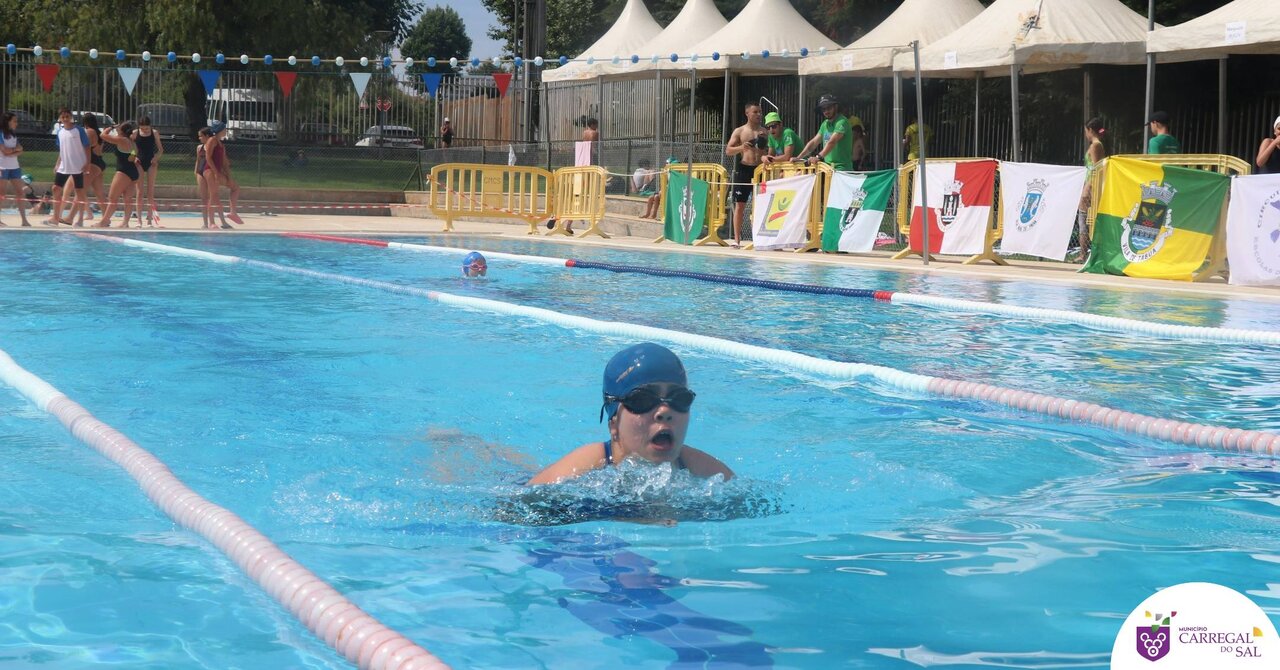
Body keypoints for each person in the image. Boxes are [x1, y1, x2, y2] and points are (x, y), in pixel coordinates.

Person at [526, 343, 734, 486]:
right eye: (643, 400)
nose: (664, 411)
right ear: (613, 423)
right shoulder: (584, 469)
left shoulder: (703, 470)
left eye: (679, 399)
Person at [725, 102, 767, 246]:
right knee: (740, 205)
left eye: (760, 112)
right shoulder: (740, 131)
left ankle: (759, 238)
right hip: (744, 169)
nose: (759, 114)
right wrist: (741, 147)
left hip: (760, 171)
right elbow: (728, 150)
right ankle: (737, 239)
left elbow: (771, 150)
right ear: (747, 113)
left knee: (761, 205)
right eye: (755, 112)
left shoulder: (765, 131)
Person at [46, 108, 90, 226]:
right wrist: (57, 163)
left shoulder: (79, 130)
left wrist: (87, 163)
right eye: (63, 117)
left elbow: (87, 147)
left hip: (78, 165)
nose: (65, 119)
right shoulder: (60, 132)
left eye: (67, 116)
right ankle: (55, 218)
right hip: (64, 165)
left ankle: (80, 219)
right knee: (56, 188)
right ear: (60, 118)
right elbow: (62, 150)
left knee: (79, 191)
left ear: (71, 117)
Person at [93, 121, 142, 228]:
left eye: (118, 129)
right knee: (128, 199)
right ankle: (125, 223)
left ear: (122, 131)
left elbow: (102, 135)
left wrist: (111, 127)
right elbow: (132, 158)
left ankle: (104, 221)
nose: (116, 131)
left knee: (112, 198)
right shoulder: (133, 143)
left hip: (123, 172)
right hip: (133, 172)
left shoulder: (122, 140)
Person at [1074, 117, 1108, 262]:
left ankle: (1083, 254)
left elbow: (1096, 169)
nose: (1085, 134)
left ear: (1090, 130)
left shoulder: (1095, 146)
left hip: (1091, 188)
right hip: (1091, 185)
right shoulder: (1097, 145)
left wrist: (1087, 189)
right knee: (1085, 220)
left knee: (1084, 220)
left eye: (1086, 131)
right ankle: (1085, 253)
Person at [799, 95, 855, 172]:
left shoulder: (842, 122)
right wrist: (799, 157)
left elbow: (832, 142)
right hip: (827, 168)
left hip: (842, 169)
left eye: (829, 108)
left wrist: (818, 157)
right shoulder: (825, 124)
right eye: (823, 109)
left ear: (835, 107)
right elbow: (814, 142)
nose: (826, 111)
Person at [205, 122, 245, 226]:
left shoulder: (221, 144)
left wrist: (229, 177)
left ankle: (233, 212)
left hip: (217, 171)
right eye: (224, 129)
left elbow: (225, 163)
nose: (226, 131)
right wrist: (216, 173)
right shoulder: (212, 140)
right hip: (210, 170)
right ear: (219, 130)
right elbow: (208, 158)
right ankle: (212, 223)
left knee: (235, 187)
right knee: (213, 195)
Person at [131, 115, 164, 227]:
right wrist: (134, 157)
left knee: (150, 192)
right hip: (139, 161)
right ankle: (139, 220)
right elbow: (131, 148)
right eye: (142, 128)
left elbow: (160, 150)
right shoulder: (135, 133)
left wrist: (156, 158)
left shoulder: (154, 133)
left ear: (150, 126)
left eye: (146, 128)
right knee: (139, 192)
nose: (145, 130)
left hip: (151, 162)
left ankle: (149, 220)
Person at [0, 113, 31, 226]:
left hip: (15, 167)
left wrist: (12, 151)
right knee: (1, 193)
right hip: (2, 166)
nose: (16, 123)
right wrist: (14, 150)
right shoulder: (1, 134)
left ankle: (24, 220)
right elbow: (5, 151)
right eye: (14, 121)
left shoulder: (13, 135)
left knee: (20, 192)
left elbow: (21, 150)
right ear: (7, 122)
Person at [80, 113, 107, 225]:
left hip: (93, 162)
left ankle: (74, 217)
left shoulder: (89, 131)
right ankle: (105, 218)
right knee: (99, 193)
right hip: (99, 161)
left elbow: (85, 147)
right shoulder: (99, 133)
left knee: (81, 190)